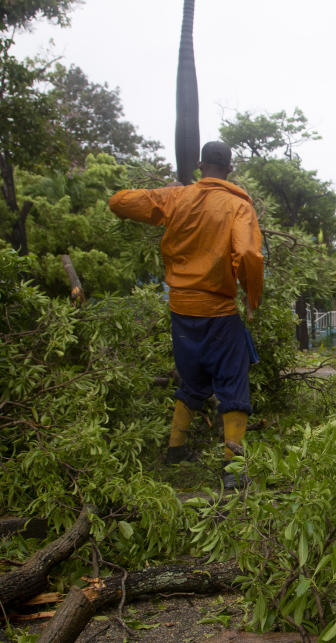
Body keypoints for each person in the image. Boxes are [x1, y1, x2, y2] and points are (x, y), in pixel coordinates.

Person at [108, 141, 264, 490]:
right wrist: (251, 295)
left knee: (192, 379)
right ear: (230, 168)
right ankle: (233, 469)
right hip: (219, 311)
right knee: (232, 381)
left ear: (199, 164)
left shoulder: (176, 198)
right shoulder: (238, 206)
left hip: (180, 310)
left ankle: (174, 451)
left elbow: (118, 201)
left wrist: (170, 192)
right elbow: (250, 255)